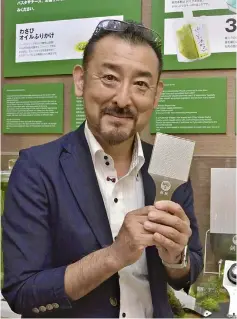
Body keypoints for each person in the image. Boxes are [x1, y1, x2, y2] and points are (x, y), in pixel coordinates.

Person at [2, 20, 203, 318]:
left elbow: (189, 270)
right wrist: (114, 255)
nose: (123, 99)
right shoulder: (36, 169)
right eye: (109, 77)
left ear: (156, 95)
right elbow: (22, 292)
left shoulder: (168, 168)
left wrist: (176, 258)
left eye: (140, 84)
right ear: (81, 81)